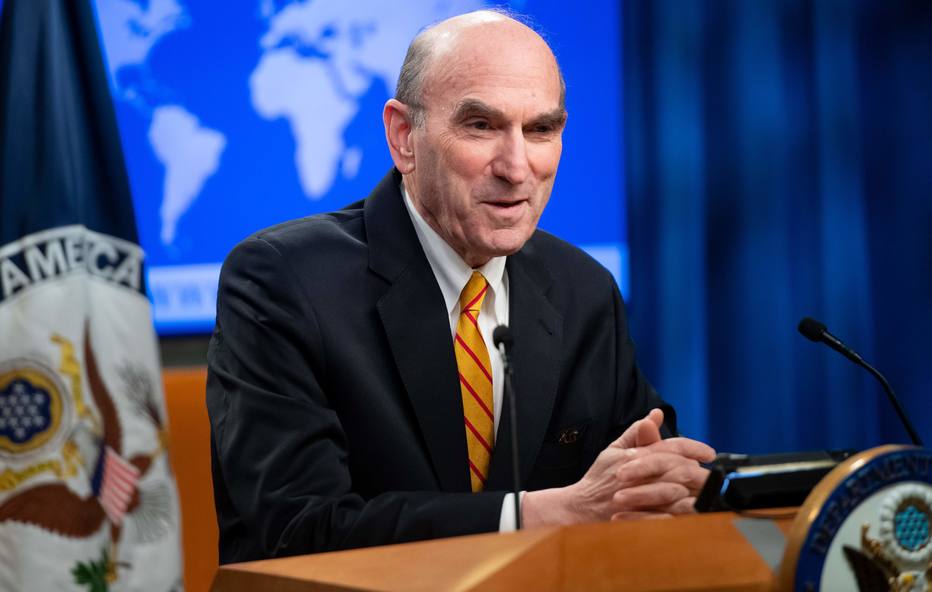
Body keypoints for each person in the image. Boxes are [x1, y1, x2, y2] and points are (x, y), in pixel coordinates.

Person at [206, 9, 715, 564]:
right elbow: (299, 527)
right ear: (404, 137)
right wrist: (541, 514)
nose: (516, 167)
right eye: (481, 126)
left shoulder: (582, 289)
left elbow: (645, 478)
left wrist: (670, 486)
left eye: (540, 130)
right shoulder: (283, 279)